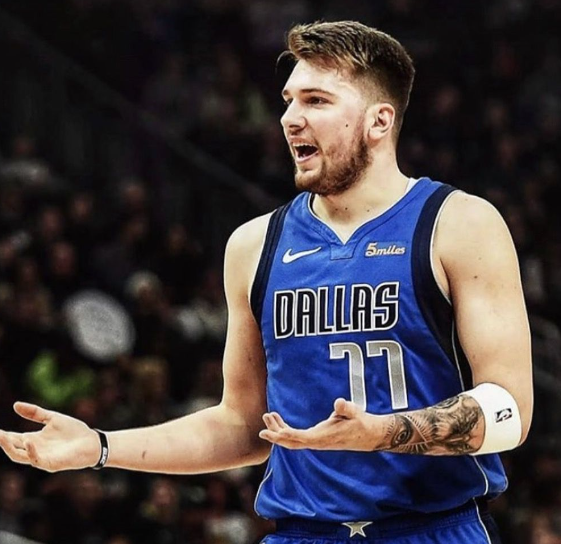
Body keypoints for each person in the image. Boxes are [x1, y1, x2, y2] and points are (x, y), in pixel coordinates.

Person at [0, 21, 532, 544]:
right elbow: (242, 425)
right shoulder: (254, 245)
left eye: (316, 101)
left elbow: (510, 411)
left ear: (379, 120)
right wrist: (99, 446)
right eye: (288, 100)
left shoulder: (458, 224)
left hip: (434, 529)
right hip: (301, 535)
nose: (290, 119)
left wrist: (381, 432)